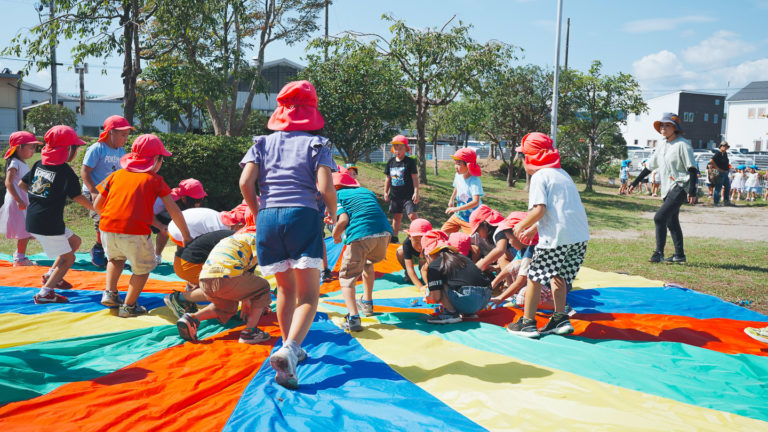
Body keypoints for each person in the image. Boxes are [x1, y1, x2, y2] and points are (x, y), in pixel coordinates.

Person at [239, 80, 336, 389]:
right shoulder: (317, 144)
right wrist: (332, 212)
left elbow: (245, 183)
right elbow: (324, 187)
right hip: (302, 215)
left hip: (268, 217)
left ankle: (286, 344)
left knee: (284, 290)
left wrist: (257, 212)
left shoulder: (261, 143)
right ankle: (291, 350)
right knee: (309, 294)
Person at [94, 134, 193, 317]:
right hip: (135, 232)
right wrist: (186, 236)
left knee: (115, 259)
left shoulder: (116, 175)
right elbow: (174, 211)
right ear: (156, 160)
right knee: (143, 269)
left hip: (107, 227)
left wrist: (115, 217)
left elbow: (97, 204)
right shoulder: (154, 180)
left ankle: (110, 292)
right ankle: (129, 306)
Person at [506, 132, 589, 338]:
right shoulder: (562, 174)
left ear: (531, 157)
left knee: (534, 278)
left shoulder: (540, 177)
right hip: (578, 237)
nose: (522, 161)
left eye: (523, 156)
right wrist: (533, 229)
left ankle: (527, 323)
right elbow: (559, 210)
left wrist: (519, 227)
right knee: (558, 275)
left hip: (556, 239)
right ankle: (560, 318)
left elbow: (539, 210)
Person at [20, 125, 96, 303]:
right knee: (69, 257)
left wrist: (38, 199)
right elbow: (77, 196)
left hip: (36, 218)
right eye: (75, 148)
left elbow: (24, 185)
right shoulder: (65, 171)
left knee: (75, 241)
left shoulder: (39, 165)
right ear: (67, 150)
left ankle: (51, 275)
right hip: (48, 223)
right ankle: (46, 293)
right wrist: (98, 209)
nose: (76, 151)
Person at [175, 232, 273, 345]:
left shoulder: (237, 238)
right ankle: (250, 332)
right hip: (226, 276)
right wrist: (255, 300)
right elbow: (269, 262)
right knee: (263, 287)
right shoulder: (259, 238)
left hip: (204, 278)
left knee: (229, 306)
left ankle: (192, 319)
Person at [628, 113, 696, 264]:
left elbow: (692, 168)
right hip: (667, 188)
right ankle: (679, 255)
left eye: (667, 125)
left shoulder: (683, 144)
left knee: (659, 217)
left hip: (681, 186)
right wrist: (634, 182)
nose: (663, 128)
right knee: (672, 222)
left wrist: (692, 191)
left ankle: (659, 253)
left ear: (675, 128)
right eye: (662, 126)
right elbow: (650, 166)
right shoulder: (662, 144)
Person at [332, 167, 392, 331]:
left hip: (361, 236)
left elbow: (343, 220)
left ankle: (353, 318)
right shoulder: (366, 191)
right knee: (366, 262)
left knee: (347, 277)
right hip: (384, 235)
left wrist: (336, 235)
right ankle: (367, 303)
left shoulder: (337, 195)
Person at [81, 115, 132, 267]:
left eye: (127, 135)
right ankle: (98, 249)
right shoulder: (97, 149)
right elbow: (85, 172)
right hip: (95, 192)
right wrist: (93, 191)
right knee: (101, 221)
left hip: (113, 193)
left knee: (115, 222)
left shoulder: (121, 150)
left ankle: (113, 252)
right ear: (111, 133)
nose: (126, 138)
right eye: (123, 135)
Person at [421, 229, 492, 324]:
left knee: (440, 286)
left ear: (428, 254)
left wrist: (429, 297)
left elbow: (436, 297)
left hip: (467, 299)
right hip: (485, 298)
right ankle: (469, 313)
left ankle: (450, 314)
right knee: (456, 283)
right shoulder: (461, 258)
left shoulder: (434, 266)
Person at [164, 229, 235, 318]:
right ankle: (180, 298)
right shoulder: (246, 243)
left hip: (186, 261)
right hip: (188, 265)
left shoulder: (241, 237)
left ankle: (192, 292)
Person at [0, 131, 39, 267]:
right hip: (17, 202)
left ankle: (19, 255)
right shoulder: (14, 163)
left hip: (23, 201)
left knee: (25, 230)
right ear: (19, 148)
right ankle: (20, 260)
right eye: (31, 147)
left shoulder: (21, 163)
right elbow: (8, 183)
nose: (33, 151)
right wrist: (18, 200)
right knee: (23, 231)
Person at [151, 178, 207, 264]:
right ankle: (156, 256)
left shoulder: (190, 204)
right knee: (165, 232)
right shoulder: (164, 200)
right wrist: (161, 226)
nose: (198, 204)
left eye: (200, 200)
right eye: (196, 201)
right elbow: (147, 214)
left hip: (176, 218)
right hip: (156, 217)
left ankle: (179, 259)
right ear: (184, 198)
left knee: (184, 232)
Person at [384, 135, 419, 244]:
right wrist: (386, 192)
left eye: (400, 148)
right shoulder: (390, 162)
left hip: (408, 195)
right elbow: (388, 178)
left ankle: (420, 233)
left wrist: (416, 192)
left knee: (412, 215)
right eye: (395, 148)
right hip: (395, 196)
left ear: (406, 149)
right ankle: (394, 238)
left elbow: (415, 178)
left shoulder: (409, 162)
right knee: (397, 216)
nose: (397, 150)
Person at [441, 147, 484, 234]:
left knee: (473, 242)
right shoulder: (458, 175)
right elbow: (457, 187)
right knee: (442, 234)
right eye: (455, 163)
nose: (455, 167)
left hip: (471, 219)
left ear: (468, 165)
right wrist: (451, 199)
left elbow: (475, 202)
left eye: (459, 164)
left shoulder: (474, 181)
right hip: (459, 215)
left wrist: (456, 208)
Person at [468, 205, 511, 273]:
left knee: (502, 258)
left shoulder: (500, 230)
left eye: (477, 231)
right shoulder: (496, 232)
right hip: (517, 259)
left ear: (485, 224)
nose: (478, 234)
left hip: (526, 259)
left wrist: (481, 263)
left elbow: (500, 249)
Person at [395, 218, 432, 291]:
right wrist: (420, 287)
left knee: (425, 272)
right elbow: (410, 268)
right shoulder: (407, 244)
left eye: (423, 241)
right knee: (399, 252)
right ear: (409, 236)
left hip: (426, 258)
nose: (420, 246)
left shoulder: (432, 243)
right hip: (413, 256)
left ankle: (424, 271)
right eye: (417, 242)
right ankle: (409, 275)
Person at [709, 141, 731, 206]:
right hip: (720, 173)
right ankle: (716, 202)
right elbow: (711, 160)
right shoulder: (718, 153)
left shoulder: (725, 153)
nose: (725, 147)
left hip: (725, 173)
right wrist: (718, 168)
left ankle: (726, 201)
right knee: (718, 188)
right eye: (724, 146)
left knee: (727, 187)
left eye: (726, 146)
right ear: (721, 146)